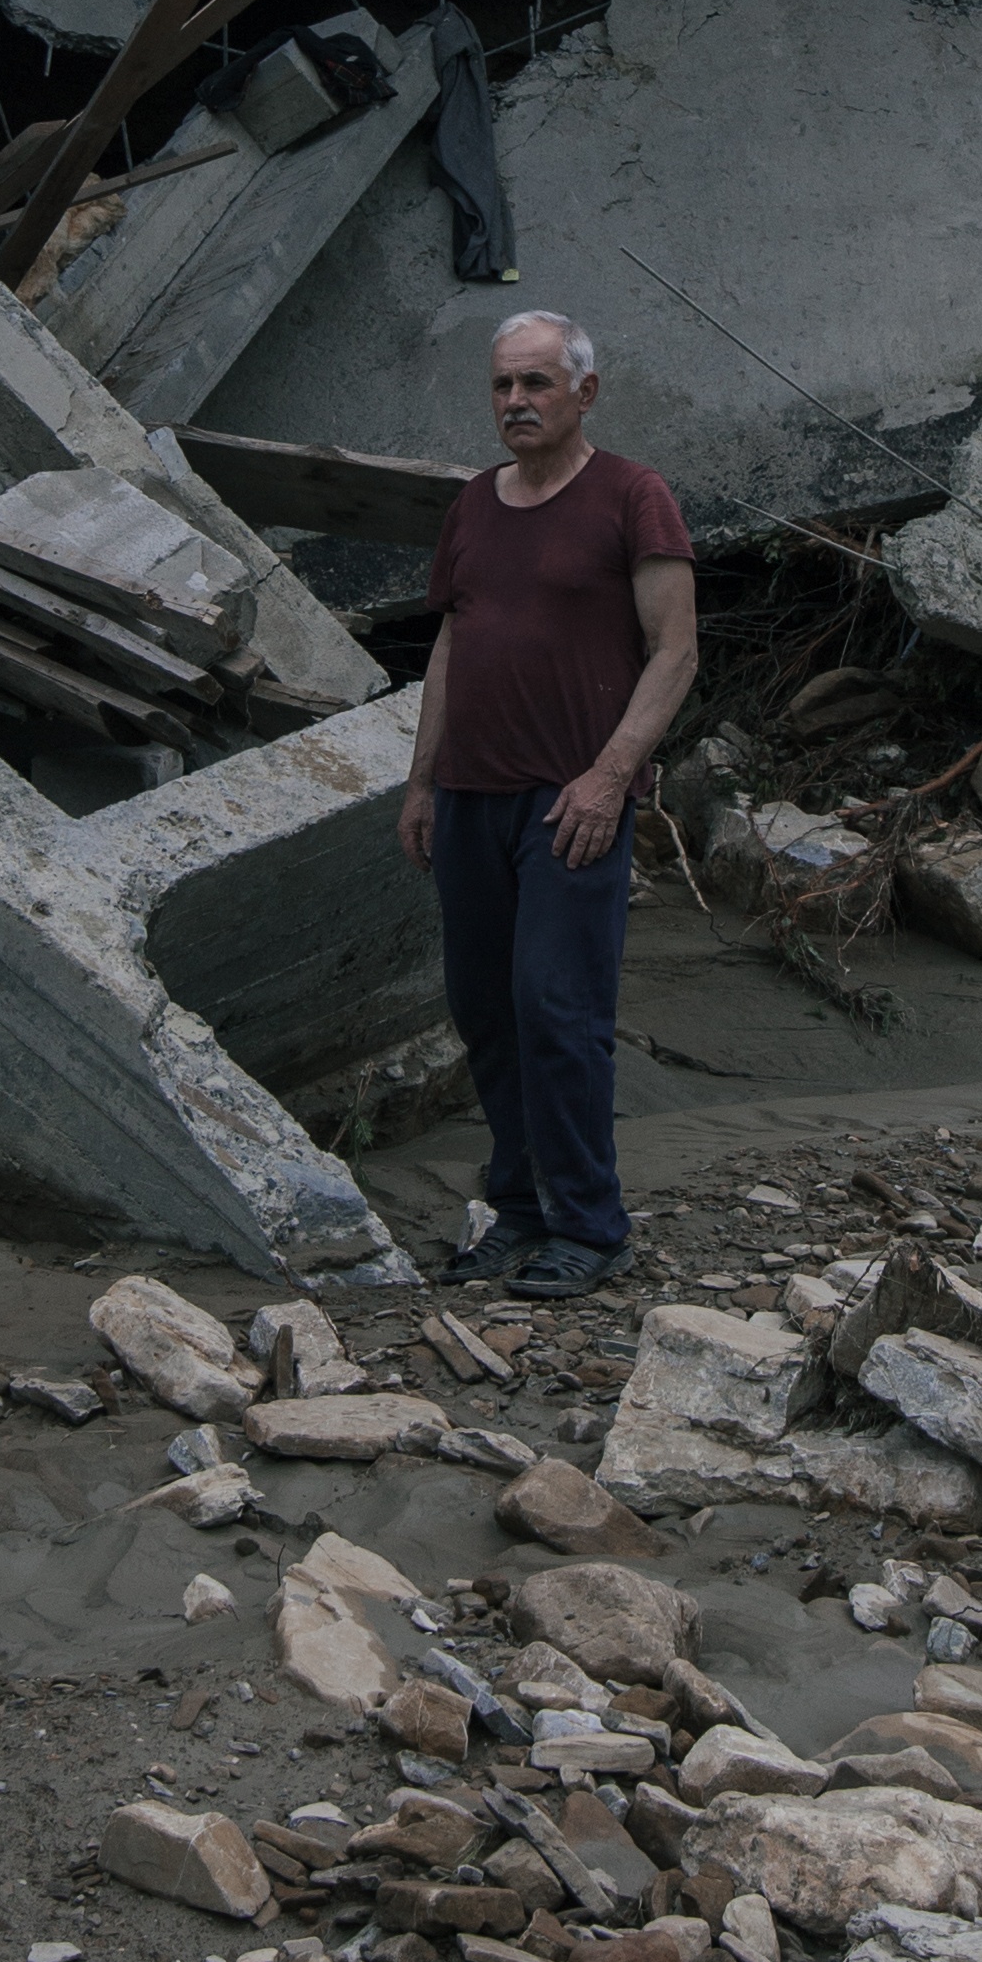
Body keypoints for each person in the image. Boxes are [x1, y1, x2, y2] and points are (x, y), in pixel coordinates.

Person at [398, 310, 697, 1298]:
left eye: (536, 384)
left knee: (555, 1008)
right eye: (502, 387)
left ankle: (591, 1223)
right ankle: (521, 1209)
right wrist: (421, 779)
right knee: (483, 1010)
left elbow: (676, 652)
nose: (517, 402)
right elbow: (450, 645)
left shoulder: (632, 496)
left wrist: (611, 777)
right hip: (470, 797)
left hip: (569, 803)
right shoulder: (475, 505)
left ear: (585, 392)